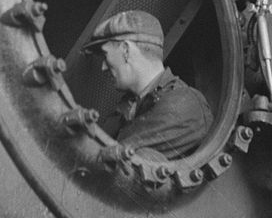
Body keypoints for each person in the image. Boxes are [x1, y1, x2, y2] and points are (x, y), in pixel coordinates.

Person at [83, 10, 213, 160]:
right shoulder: (128, 107)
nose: (103, 67)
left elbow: (112, 158)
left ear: (126, 50)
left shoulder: (186, 102)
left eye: (106, 56)